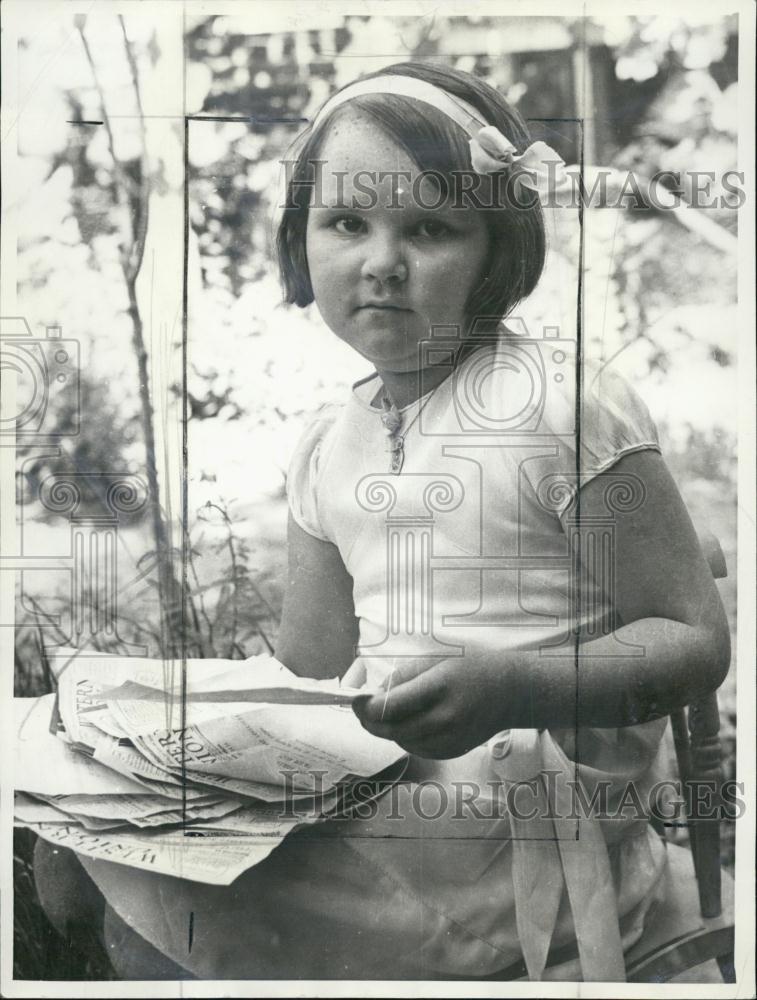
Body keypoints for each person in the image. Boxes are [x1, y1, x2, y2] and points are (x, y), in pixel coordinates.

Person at [34, 60, 730, 982]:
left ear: (498, 248)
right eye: (347, 223)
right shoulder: (331, 440)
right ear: (301, 237)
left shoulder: (566, 406)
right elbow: (313, 673)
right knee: (84, 821)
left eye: (431, 228)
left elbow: (691, 637)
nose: (381, 262)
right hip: (381, 787)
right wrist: (188, 734)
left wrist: (513, 685)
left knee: (135, 875)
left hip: (528, 829)